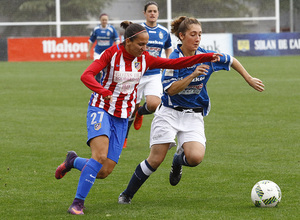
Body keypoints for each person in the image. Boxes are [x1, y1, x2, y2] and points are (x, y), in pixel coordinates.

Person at [55, 20, 221, 215]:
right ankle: (77, 203)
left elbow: (174, 62)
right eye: (141, 45)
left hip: (122, 115)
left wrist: (208, 56)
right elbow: (87, 75)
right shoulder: (111, 54)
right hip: (101, 108)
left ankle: (73, 161)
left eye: (146, 45)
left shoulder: (145, 59)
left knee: (103, 171)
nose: (145, 49)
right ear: (128, 41)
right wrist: (102, 91)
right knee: (99, 156)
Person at [118, 16, 265, 205]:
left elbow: (231, 60)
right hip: (169, 113)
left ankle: (178, 161)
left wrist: (249, 78)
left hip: (193, 114)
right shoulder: (174, 59)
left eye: (200, 34)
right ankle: (127, 194)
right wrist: (193, 75)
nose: (197, 38)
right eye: (193, 34)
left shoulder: (206, 55)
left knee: (195, 158)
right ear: (181, 36)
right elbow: (170, 90)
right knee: (155, 160)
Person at [123, 1, 172, 148]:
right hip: (136, 74)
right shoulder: (138, 30)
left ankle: (141, 113)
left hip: (154, 74)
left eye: (155, 11)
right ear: (144, 13)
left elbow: (168, 47)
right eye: (149, 11)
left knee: (154, 104)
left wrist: (166, 62)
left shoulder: (164, 32)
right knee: (130, 108)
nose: (152, 13)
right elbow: (126, 46)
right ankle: (124, 137)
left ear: (158, 14)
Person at [86, 13, 120, 82]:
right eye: (103, 20)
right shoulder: (96, 29)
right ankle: (97, 85)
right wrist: (88, 52)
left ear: (107, 20)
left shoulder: (111, 29)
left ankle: (107, 83)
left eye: (106, 20)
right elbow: (91, 41)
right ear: (100, 20)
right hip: (98, 52)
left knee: (109, 69)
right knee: (97, 69)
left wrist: (118, 49)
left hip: (109, 53)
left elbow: (117, 40)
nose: (104, 21)